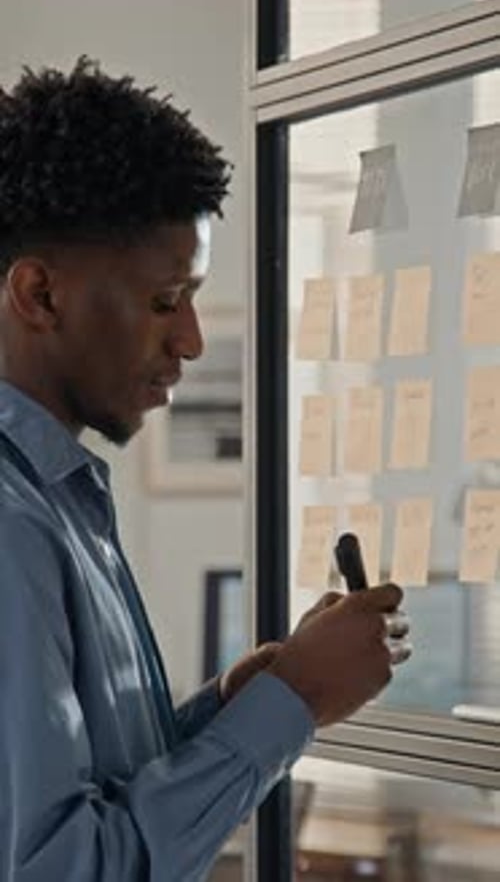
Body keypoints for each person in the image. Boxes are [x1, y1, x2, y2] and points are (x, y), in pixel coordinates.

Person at [0, 57, 409, 882]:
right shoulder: (12, 524)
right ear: (41, 296)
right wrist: (296, 700)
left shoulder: (58, 498)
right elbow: (63, 868)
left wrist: (235, 705)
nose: (190, 339)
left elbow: (91, 796)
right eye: (165, 301)